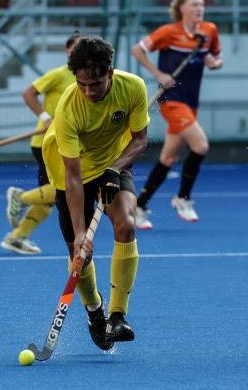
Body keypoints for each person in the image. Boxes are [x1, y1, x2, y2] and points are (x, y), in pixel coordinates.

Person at [43, 36, 149, 349]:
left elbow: (140, 139)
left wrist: (115, 169)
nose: (88, 91)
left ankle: (118, 315)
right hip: (69, 173)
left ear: (110, 73)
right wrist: (80, 234)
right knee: (79, 253)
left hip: (114, 164)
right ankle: (94, 310)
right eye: (82, 84)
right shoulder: (69, 109)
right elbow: (73, 176)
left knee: (126, 223)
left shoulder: (133, 88)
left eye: (96, 84)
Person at [130, 0, 222, 229]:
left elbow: (216, 57)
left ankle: (139, 206)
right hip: (172, 100)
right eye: (194, 5)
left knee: (168, 157)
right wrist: (158, 73)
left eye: (201, 5)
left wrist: (215, 63)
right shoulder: (168, 32)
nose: (199, 9)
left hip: (192, 101)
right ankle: (183, 198)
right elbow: (137, 50)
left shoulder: (209, 31)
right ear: (182, 8)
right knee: (200, 145)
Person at [1, 31, 83, 255]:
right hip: (48, 142)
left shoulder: (85, 77)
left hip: (67, 142)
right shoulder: (59, 75)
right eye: (77, 48)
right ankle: (21, 198)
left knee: (52, 197)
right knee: (63, 190)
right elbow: (29, 93)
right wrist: (45, 118)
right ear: (68, 51)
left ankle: (17, 237)